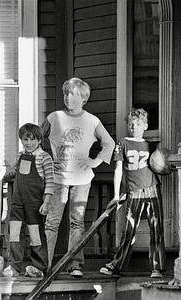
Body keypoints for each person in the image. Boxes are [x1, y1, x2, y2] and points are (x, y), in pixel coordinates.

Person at [41, 77, 115, 277]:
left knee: (77, 222)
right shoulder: (54, 118)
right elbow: (36, 139)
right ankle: (44, 266)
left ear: (83, 98)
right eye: (66, 93)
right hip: (58, 178)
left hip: (82, 180)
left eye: (73, 94)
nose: (68, 97)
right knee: (51, 223)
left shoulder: (92, 120)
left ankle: (74, 264)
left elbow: (109, 143)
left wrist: (95, 161)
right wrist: (45, 162)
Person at [100, 108, 166, 278]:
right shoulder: (122, 143)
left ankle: (156, 268)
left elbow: (160, 165)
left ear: (145, 125)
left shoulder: (151, 146)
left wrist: (168, 166)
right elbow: (118, 170)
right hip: (134, 191)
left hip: (152, 189)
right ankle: (117, 265)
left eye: (138, 124)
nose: (134, 127)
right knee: (129, 229)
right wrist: (116, 195)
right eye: (131, 124)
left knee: (156, 228)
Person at [3, 123, 54, 278]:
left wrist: (46, 202)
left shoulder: (45, 157)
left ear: (39, 140)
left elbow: (50, 183)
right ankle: (14, 266)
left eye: (33, 139)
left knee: (35, 235)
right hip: (17, 203)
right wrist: (4, 175)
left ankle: (39, 267)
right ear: (21, 140)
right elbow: (15, 173)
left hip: (35, 204)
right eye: (26, 139)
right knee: (15, 234)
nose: (29, 143)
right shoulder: (20, 155)